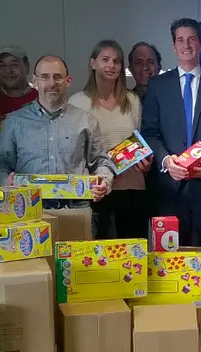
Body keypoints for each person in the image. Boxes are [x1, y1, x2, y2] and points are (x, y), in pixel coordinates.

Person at [141, 18, 201, 352]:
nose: (186, 45)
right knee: (170, 260)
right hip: (170, 190)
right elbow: (149, 133)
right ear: (173, 45)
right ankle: (175, 327)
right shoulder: (158, 86)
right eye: (180, 40)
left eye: (192, 39)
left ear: (200, 44)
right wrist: (168, 162)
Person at [0, 55, 114, 215]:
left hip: (76, 210)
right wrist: (4, 181)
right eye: (44, 77)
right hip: (28, 212)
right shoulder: (15, 121)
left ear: (68, 81)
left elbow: (101, 161)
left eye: (58, 77)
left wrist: (103, 181)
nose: (51, 83)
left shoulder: (86, 120)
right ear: (35, 81)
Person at [69, 40, 150, 240]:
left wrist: (145, 162)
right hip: (96, 189)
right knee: (100, 250)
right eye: (105, 60)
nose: (111, 65)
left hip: (132, 186)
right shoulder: (77, 102)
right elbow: (73, 151)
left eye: (116, 61)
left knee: (133, 252)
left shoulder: (132, 100)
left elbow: (139, 140)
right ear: (92, 63)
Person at [0, 46, 38, 121]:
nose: (8, 71)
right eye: (2, 65)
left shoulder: (42, 100)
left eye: (14, 64)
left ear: (27, 66)